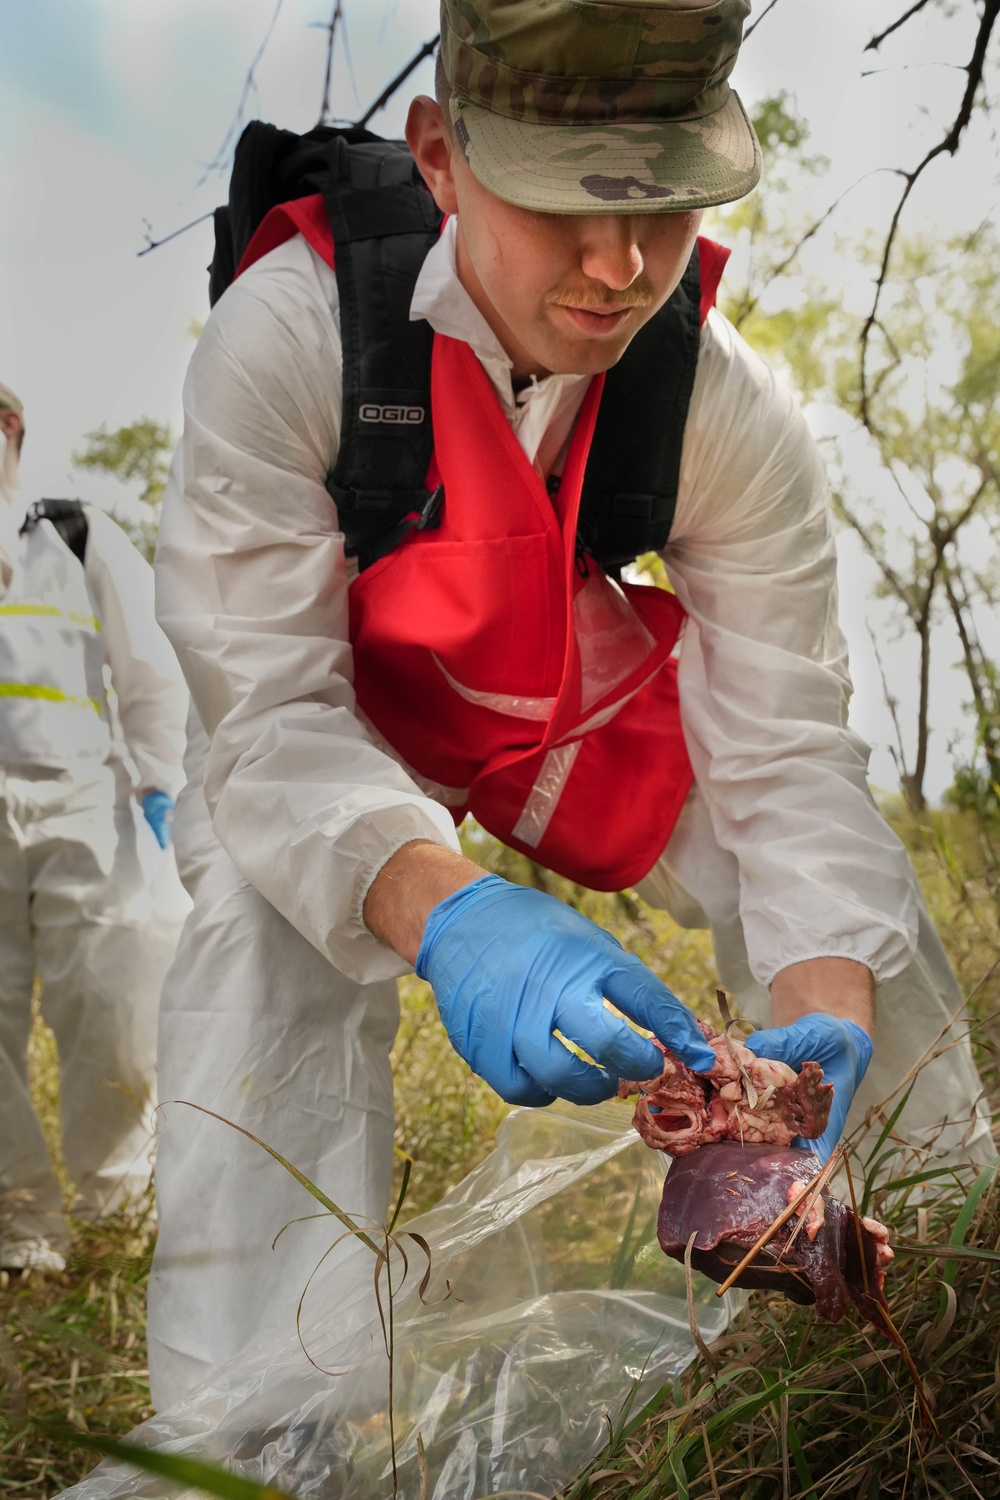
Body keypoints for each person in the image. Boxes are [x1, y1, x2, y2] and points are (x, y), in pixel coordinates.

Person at [149, 0, 991, 1410]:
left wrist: (816, 1036)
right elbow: (264, 710)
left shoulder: (720, 406)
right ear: (443, 159)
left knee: (855, 913)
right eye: (559, 202)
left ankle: (943, 1289)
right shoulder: (291, 335)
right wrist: (451, 911)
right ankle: (267, 1419)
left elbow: (786, 757)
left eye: (660, 202)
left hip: (544, 683)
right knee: (256, 917)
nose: (618, 265)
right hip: (323, 711)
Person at [0, 382, 188, 1274]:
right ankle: (19, 1235)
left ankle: (115, 1219)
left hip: (87, 806)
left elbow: (151, 670)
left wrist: (165, 789)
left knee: (112, 1015)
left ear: (11, 431)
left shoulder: (71, 536)